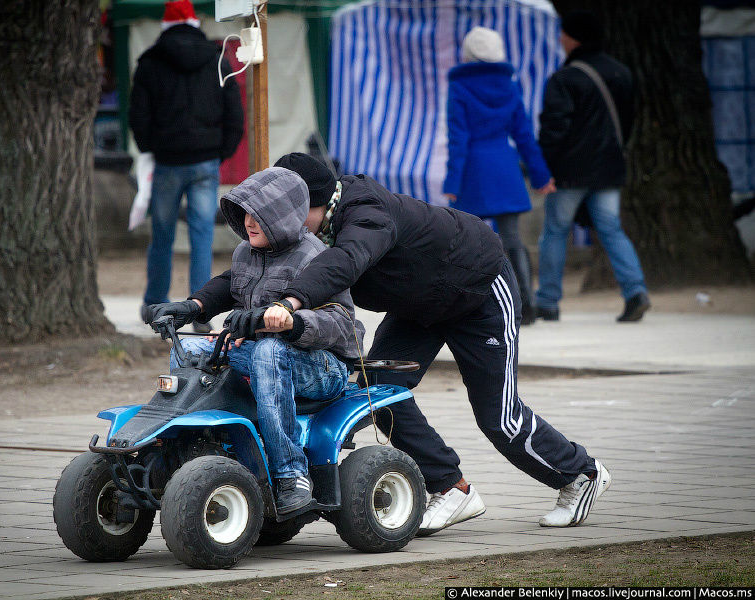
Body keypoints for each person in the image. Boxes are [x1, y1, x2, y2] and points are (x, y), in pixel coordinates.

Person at [189, 152, 611, 533]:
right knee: (375, 396)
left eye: (292, 212)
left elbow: (345, 260)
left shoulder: (367, 213)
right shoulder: (304, 231)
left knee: (497, 416)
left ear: (312, 205)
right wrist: (197, 304)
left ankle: (580, 474)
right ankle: (452, 487)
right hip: (419, 308)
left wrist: (290, 302)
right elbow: (240, 277)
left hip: (478, 290)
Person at [144, 167, 365, 514]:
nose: (249, 221)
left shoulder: (316, 257)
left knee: (269, 350)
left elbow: (343, 325)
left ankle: (291, 474)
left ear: (284, 216)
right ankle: (190, 450)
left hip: (323, 366)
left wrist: (290, 323)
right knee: (190, 348)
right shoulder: (247, 252)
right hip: (267, 353)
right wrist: (192, 307)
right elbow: (228, 285)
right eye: (244, 212)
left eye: (259, 214)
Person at [129, 0, 244, 329]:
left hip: (167, 162)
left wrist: (150, 148)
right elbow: (234, 116)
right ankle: (199, 311)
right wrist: (219, 152)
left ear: (165, 25)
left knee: (162, 235)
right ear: (195, 22)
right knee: (202, 235)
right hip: (205, 161)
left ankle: (154, 304)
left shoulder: (150, 62)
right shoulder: (217, 59)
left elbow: (138, 116)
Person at [535, 10, 650, 323]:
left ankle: (547, 301)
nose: (560, 39)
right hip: (609, 169)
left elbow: (554, 128)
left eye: (564, 34)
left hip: (571, 171)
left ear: (574, 39)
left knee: (555, 232)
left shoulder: (565, 78)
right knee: (612, 230)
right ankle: (636, 292)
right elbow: (627, 123)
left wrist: (544, 168)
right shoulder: (622, 73)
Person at [443, 26, 556, 325]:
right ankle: (526, 305)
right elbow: (524, 136)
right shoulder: (509, 85)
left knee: (471, 242)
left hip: (473, 172)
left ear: (468, 54)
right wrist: (541, 176)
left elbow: (458, 139)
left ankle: (472, 306)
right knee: (513, 240)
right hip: (504, 167)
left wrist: (452, 181)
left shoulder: (459, 87)